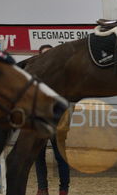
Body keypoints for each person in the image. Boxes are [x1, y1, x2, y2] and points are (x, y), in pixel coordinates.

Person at [35, 44, 70, 195]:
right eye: (45, 55)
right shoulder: (35, 76)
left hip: (57, 122)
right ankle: (42, 189)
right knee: (38, 157)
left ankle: (63, 190)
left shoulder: (63, 77)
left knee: (61, 158)